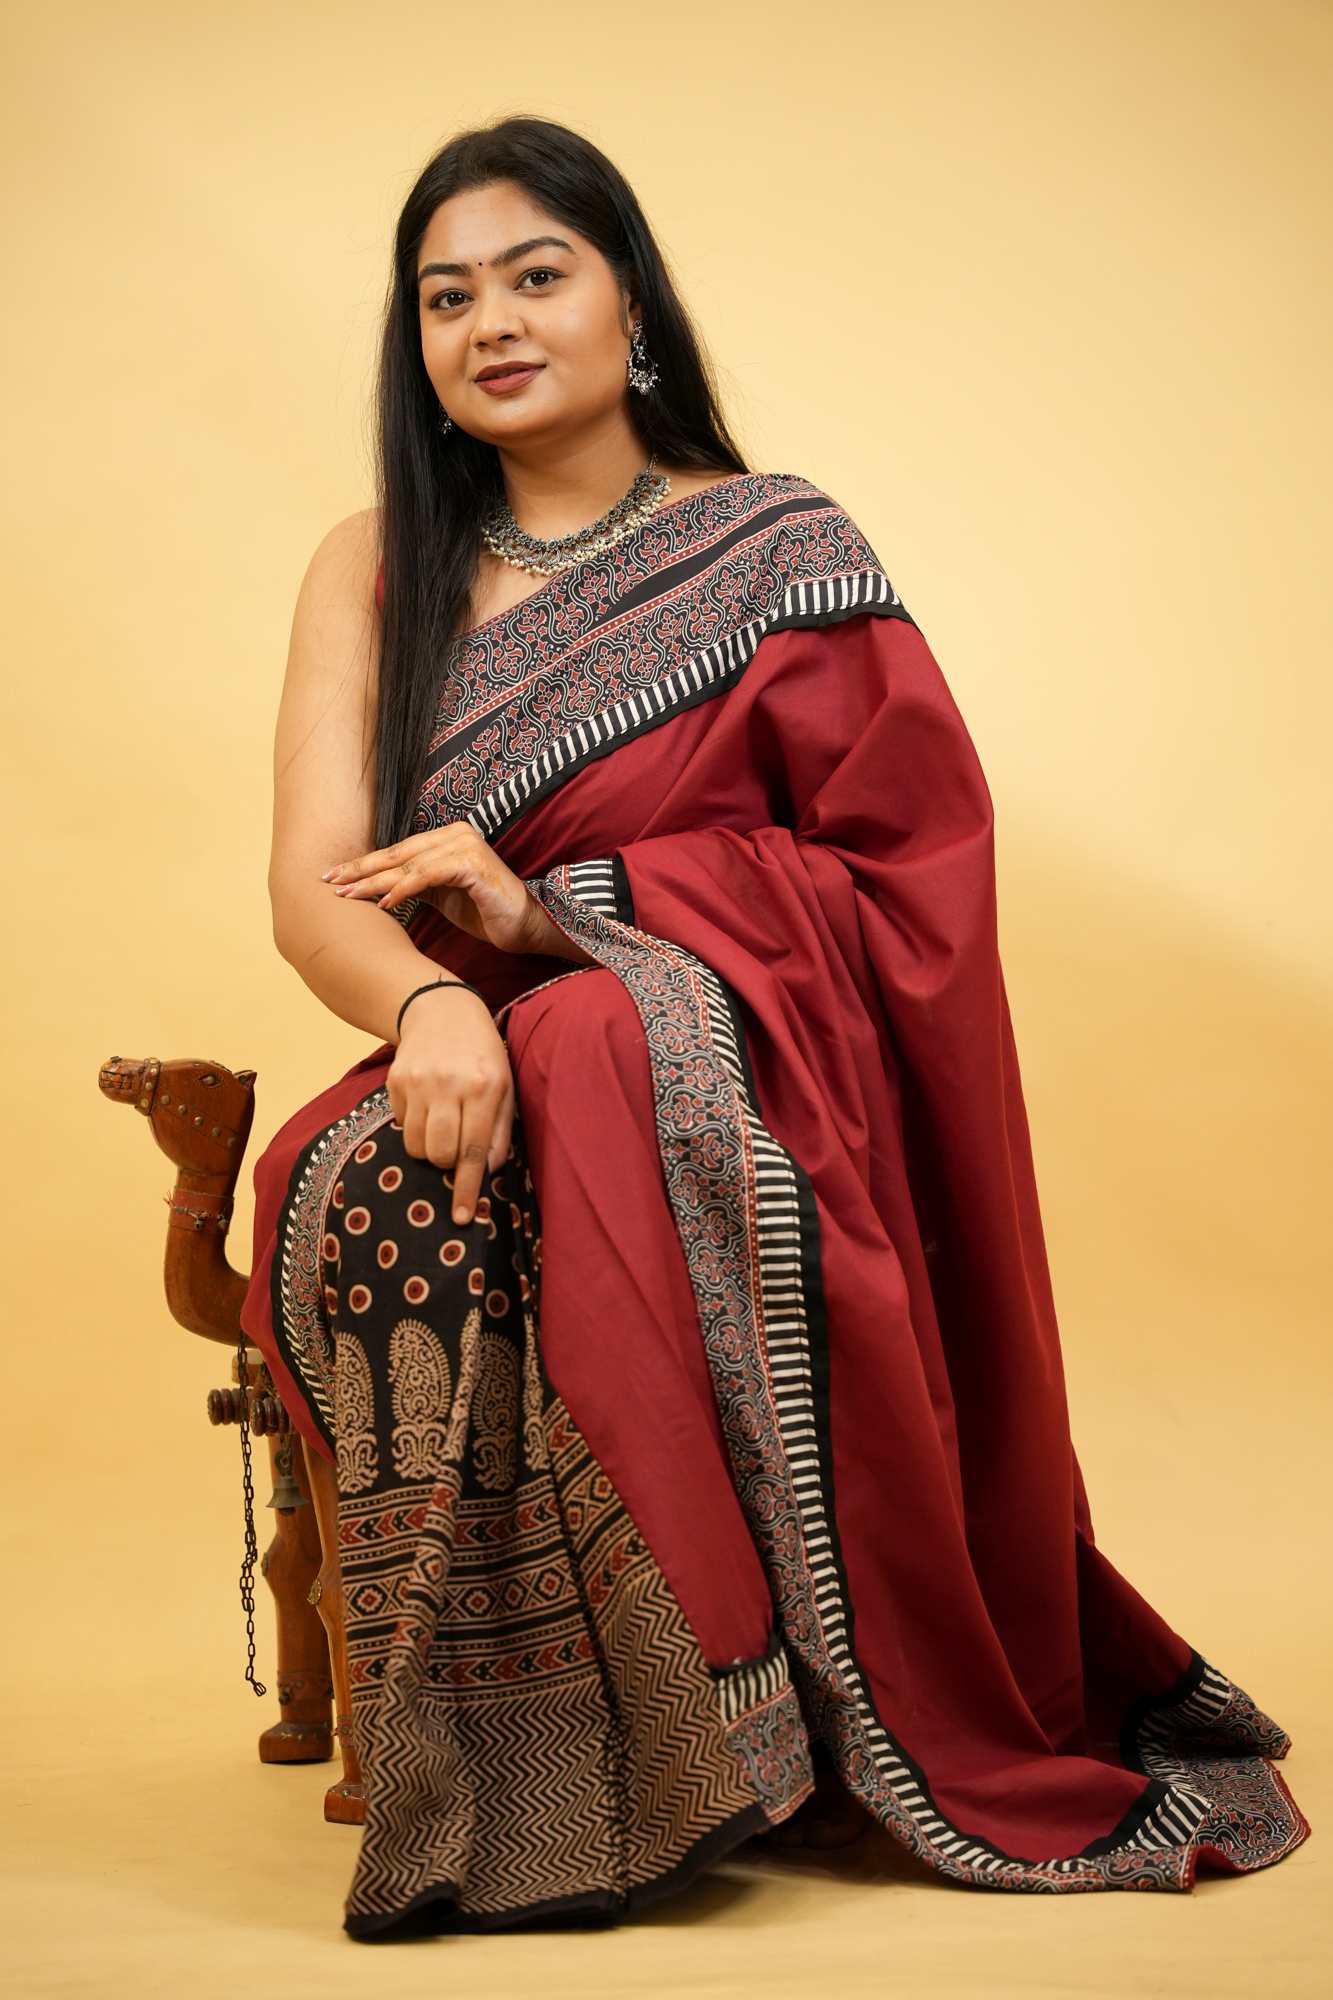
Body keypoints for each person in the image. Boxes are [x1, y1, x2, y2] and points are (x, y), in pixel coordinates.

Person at [239, 114, 1310, 1940]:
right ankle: (526, 1753)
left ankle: (712, 1729)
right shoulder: (372, 562)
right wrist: (432, 999)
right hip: (457, 1049)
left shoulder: (774, 547)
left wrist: (564, 919)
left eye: (535, 276)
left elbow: (905, 883)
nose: (490, 323)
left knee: (606, 1051)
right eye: (445, 296)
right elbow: (312, 886)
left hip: (750, 1072)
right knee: (351, 1192)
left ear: (629, 304)